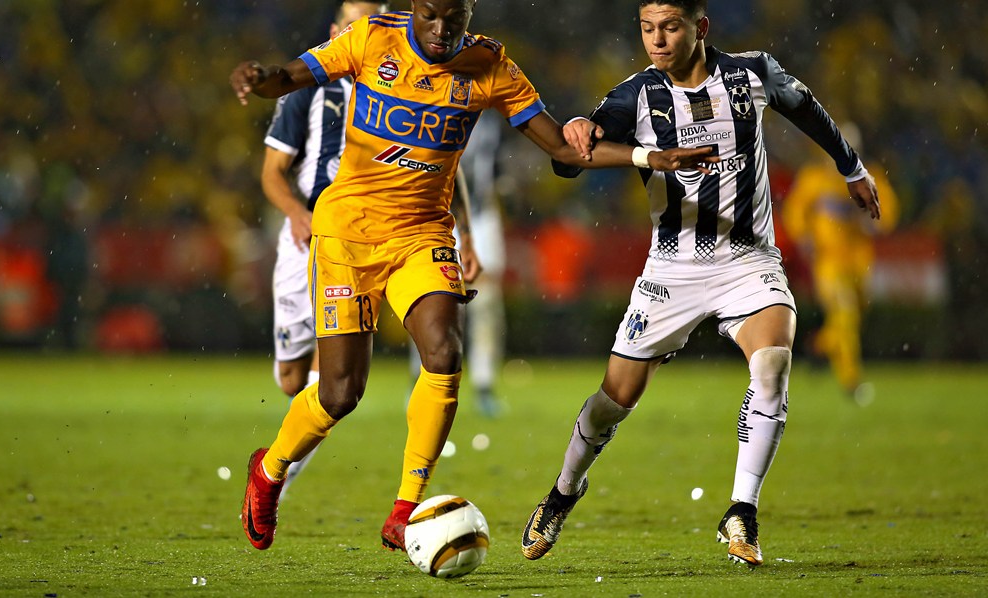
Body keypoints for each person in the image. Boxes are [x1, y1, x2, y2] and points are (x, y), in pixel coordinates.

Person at [230, 0, 714, 553]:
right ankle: (268, 471)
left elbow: (560, 147)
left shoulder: (491, 66)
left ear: (469, 11)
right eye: (430, 16)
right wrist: (259, 77)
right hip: (347, 235)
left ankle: (405, 509)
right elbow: (287, 78)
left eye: (454, 18)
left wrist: (650, 159)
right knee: (341, 392)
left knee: (443, 352)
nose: (441, 30)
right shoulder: (370, 38)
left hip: (423, 234)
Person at [519, 0, 881, 568]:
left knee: (773, 365)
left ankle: (742, 511)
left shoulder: (751, 73)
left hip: (747, 260)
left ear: (700, 27)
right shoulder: (635, 95)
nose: (657, 40)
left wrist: (851, 167)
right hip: (673, 269)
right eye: (647, 29)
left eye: (670, 27)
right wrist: (590, 132)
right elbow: (567, 162)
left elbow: (806, 108)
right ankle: (563, 493)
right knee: (614, 401)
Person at [261, 0, 388, 500]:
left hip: (360, 239)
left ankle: (278, 476)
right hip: (306, 234)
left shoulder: (403, 87)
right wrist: (298, 214)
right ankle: (286, 452)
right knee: (291, 377)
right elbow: (272, 172)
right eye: (353, 26)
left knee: (334, 367)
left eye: (372, 25)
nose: (361, 34)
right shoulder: (307, 87)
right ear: (335, 33)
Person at [781, 126, 900, 403]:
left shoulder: (869, 177)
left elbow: (888, 214)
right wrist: (805, 237)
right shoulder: (814, 179)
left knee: (850, 321)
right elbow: (794, 213)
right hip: (829, 262)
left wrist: (873, 221)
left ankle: (819, 346)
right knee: (845, 315)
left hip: (859, 264)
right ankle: (851, 382)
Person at [408, 110, 507, 417]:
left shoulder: (491, 118)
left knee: (486, 302)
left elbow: (493, 168)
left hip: (481, 214)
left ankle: (484, 383)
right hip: (437, 212)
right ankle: (420, 378)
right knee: (429, 298)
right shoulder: (437, 108)